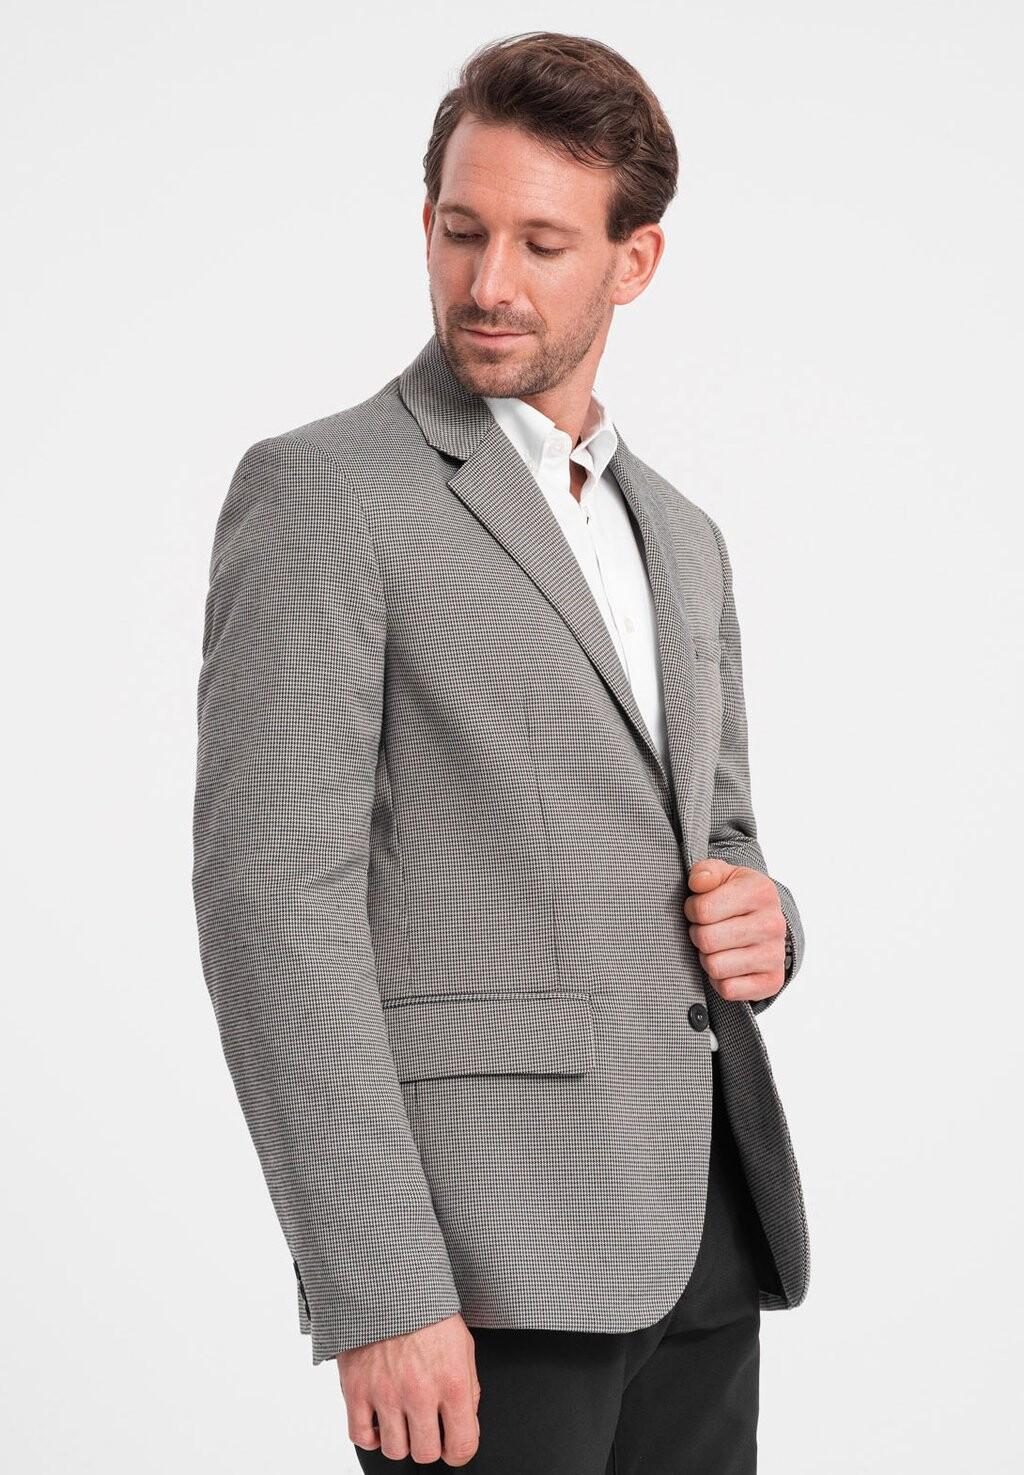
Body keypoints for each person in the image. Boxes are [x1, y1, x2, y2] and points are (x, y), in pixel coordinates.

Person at [191, 29, 809, 1474]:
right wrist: (379, 1289)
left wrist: (772, 921)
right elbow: (271, 906)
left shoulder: (683, 537)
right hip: (486, 1265)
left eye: (542, 243)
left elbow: (715, 838)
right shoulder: (327, 491)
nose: (488, 284)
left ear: (635, 261)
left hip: (707, 1232)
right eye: (462, 231)